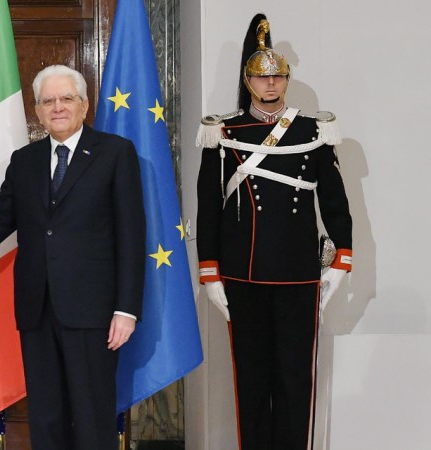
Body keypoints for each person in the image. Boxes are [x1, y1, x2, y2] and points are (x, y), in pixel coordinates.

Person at [0, 64, 145, 450]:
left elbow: (131, 235)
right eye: (48, 101)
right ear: (36, 111)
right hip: (37, 310)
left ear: (84, 105)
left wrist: (126, 309)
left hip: (94, 312)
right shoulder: (25, 160)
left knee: (92, 417)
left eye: (66, 98)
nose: (58, 107)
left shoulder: (115, 153)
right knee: (46, 417)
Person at [195, 14, 352, 450]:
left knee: (296, 379)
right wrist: (210, 270)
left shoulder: (313, 130)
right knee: (250, 380)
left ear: (286, 80)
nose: (271, 84)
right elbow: (208, 207)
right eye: (262, 77)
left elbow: (334, 201)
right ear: (247, 81)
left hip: (298, 274)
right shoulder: (223, 132)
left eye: (278, 77)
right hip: (242, 274)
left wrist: (342, 259)